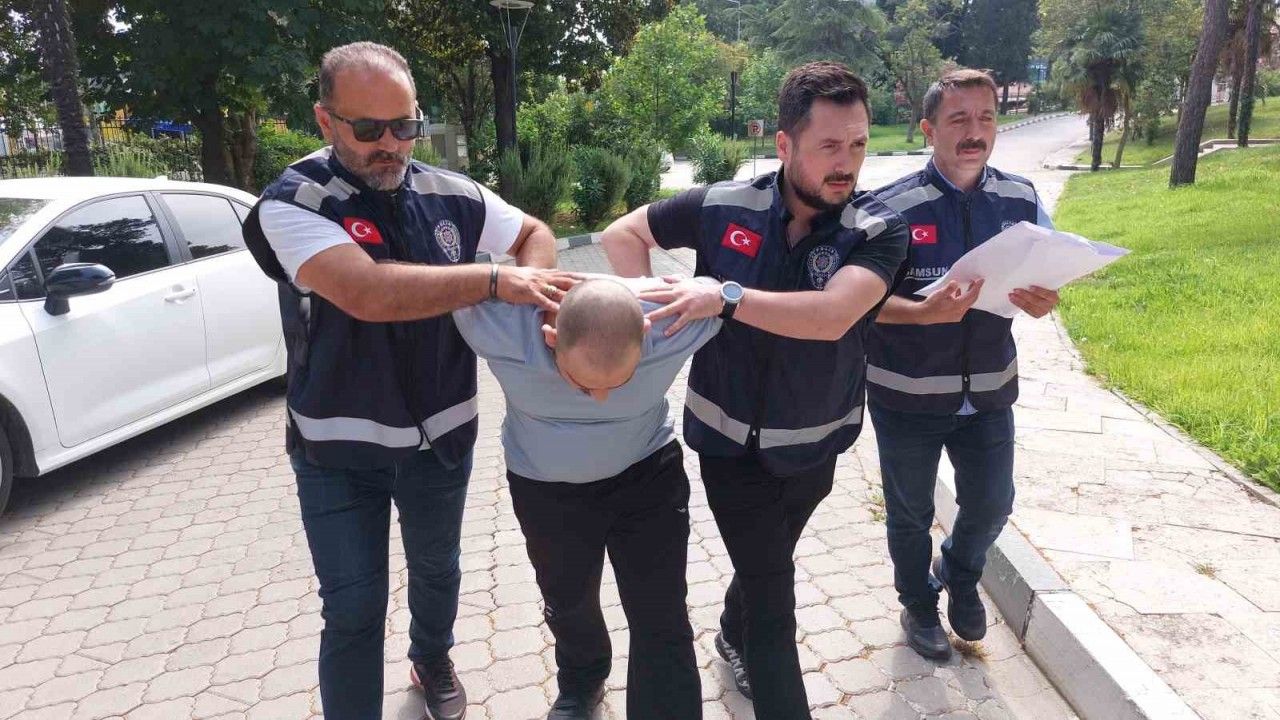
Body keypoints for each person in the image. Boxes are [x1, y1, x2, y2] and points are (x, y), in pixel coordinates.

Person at [241, 42, 575, 720]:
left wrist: (539, 302)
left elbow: (533, 234)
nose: (390, 145)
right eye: (369, 129)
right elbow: (368, 292)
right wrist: (492, 280)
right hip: (338, 451)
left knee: (438, 570)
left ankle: (432, 658)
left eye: (405, 125)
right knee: (353, 609)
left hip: (441, 440)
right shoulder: (293, 203)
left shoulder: (450, 193)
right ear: (326, 120)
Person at [599, 62, 909, 719]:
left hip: (816, 447)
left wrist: (724, 296)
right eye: (829, 145)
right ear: (785, 144)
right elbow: (622, 233)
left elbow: (831, 316)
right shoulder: (723, 206)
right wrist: (647, 323)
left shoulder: (878, 229)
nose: (847, 163)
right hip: (727, 444)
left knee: (767, 561)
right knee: (774, 597)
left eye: (858, 144)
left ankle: (729, 631)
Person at [452, 278, 719, 720]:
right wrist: (502, 277)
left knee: (662, 610)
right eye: (582, 383)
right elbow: (450, 282)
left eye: (620, 382)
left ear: (645, 337)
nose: (601, 397)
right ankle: (582, 678)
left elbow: (722, 292)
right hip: (547, 493)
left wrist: (718, 293)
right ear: (551, 339)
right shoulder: (499, 328)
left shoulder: (671, 325)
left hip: (647, 478)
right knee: (568, 600)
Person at [868, 68, 1060, 661]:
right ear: (929, 130)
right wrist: (922, 313)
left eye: (986, 118)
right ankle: (918, 604)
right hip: (907, 395)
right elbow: (859, 303)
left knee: (993, 502)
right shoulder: (889, 208)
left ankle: (957, 572)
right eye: (958, 119)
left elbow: (1050, 271)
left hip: (990, 391)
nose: (974, 131)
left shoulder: (1021, 200)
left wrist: (1046, 299)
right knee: (910, 513)